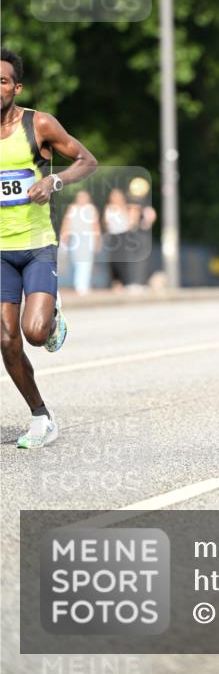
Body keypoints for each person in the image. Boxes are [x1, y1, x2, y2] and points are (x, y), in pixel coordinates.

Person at [0, 48, 97, 449]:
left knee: (34, 334)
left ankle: (52, 319)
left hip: (37, 245)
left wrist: (54, 183)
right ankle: (41, 417)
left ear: (15, 87)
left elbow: (87, 160)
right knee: (6, 340)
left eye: (2, 81)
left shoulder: (37, 123)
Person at [60, 189, 101, 295]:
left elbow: (95, 225)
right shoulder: (72, 208)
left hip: (88, 237)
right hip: (75, 237)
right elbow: (66, 222)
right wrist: (64, 235)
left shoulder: (91, 209)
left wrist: (97, 239)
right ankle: (76, 284)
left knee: (86, 262)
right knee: (75, 261)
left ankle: (82, 286)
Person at [103, 188, 132, 290]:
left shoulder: (125, 208)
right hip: (113, 235)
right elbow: (106, 223)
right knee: (113, 260)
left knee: (122, 259)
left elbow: (129, 222)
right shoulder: (109, 208)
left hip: (123, 235)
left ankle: (124, 281)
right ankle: (115, 281)